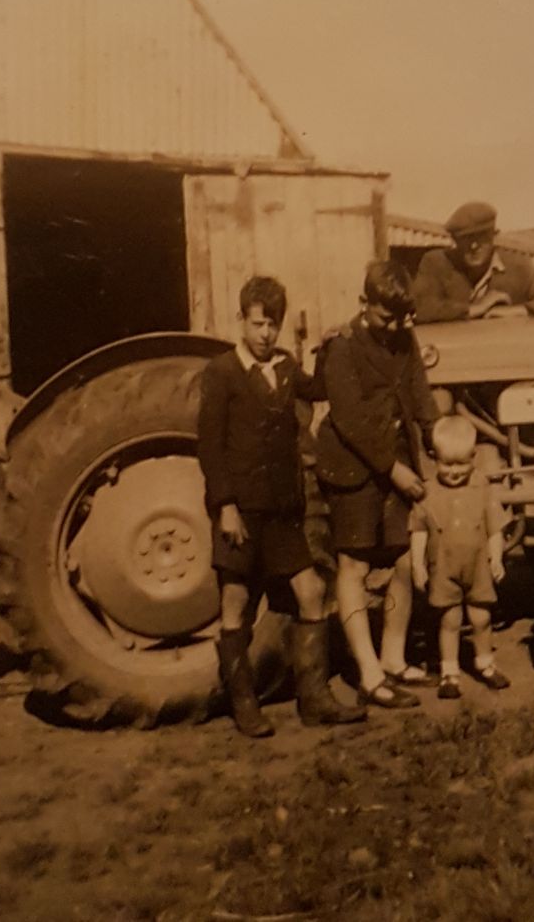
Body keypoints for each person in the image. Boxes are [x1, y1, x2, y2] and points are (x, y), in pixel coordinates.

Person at [197, 275, 366, 737]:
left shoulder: (288, 368)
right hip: (242, 512)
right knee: (236, 602)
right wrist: (225, 506)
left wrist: (330, 347)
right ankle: (244, 703)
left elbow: (319, 389)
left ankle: (315, 699)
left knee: (311, 593)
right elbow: (210, 448)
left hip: (282, 512)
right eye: (258, 324)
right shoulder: (222, 373)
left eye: (273, 325)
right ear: (242, 320)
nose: (266, 334)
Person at [315, 261, 441, 708]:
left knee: (405, 562)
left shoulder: (403, 339)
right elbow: (349, 420)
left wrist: (437, 438)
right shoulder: (341, 348)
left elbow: (420, 394)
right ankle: (368, 675)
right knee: (354, 568)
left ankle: (392, 657)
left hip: (397, 463)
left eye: (399, 319)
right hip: (352, 468)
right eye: (384, 317)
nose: (392, 327)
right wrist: (393, 470)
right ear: (364, 303)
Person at [409, 416, 511, 700]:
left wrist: (497, 559)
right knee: (450, 621)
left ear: (474, 457)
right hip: (443, 568)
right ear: (434, 459)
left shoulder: (482, 487)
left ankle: (485, 664)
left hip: (477, 567)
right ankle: (450, 673)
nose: (454, 471)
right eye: (446, 464)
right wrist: (418, 564)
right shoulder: (428, 492)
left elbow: (495, 529)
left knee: (481, 618)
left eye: (461, 464)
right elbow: (418, 531)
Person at [410, 200, 534, 323]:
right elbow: (418, 308)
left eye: (481, 237)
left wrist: (522, 310)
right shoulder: (438, 263)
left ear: (494, 236)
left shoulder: (518, 269)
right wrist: (474, 309)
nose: (474, 246)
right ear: (455, 241)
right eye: (466, 239)